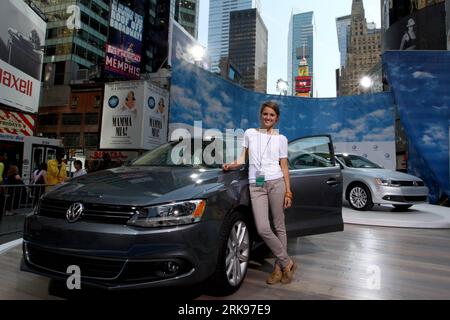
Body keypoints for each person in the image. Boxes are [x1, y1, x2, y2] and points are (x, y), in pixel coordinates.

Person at [223, 101, 297, 285]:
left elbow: (284, 166)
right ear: (260, 115)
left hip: (276, 182)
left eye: (272, 115)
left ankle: (279, 268)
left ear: (277, 118)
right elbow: (243, 157)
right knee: (263, 228)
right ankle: (287, 261)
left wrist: (288, 191)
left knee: (279, 226)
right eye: (265, 114)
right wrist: (231, 165)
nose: (268, 118)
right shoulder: (250, 133)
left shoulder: (282, 139)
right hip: (256, 184)